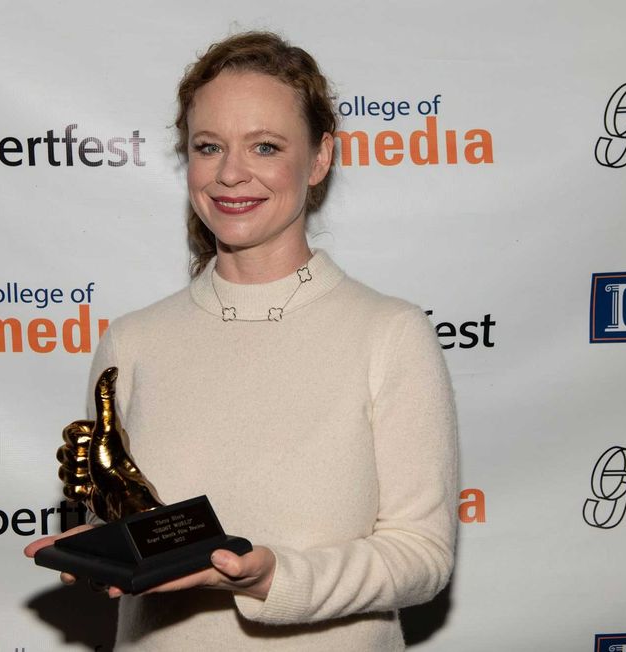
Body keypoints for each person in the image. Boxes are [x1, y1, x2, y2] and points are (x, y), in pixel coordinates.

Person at [25, 30, 458, 650]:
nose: (231, 173)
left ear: (318, 159)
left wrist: (274, 577)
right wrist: (104, 538)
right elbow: (132, 538)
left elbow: (422, 557)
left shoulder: (388, 334)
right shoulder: (134, 341)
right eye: (209, 146)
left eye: (265, 146)